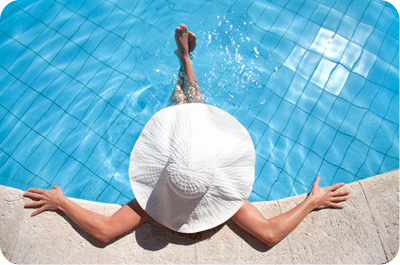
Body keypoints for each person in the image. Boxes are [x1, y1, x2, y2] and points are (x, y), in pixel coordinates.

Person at [23, 24, 350, 247]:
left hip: (190, 154)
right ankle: (185, 59)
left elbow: (105, 231)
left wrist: (62, 202)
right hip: (198, 154)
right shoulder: (226, 199)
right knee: (190, 107)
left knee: (185, 107)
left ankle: (184, 60)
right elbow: (268, 234)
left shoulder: (150, 205)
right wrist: (312, 202)